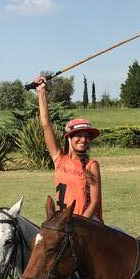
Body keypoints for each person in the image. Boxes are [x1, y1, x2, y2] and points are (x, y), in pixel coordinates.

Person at [35, 75, 103, 222]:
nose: (83, 139)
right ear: (69, 138)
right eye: (78, 135)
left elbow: (95, 202)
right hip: (63, 223)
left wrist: (78, 225)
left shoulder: (92, 165)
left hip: (87, 223)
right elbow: (46, 125)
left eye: (87, 136)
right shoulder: (59, 159)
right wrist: (41, 92)